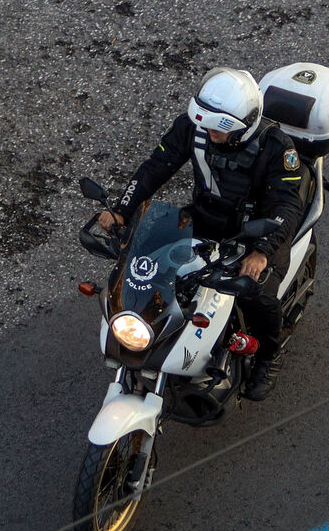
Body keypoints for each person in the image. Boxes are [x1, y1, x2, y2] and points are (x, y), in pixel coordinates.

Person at [97, 67, 306, 401]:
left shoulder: (277, 148)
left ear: (243, 125)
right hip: (206, 218)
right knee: (153, 265)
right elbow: (155, 168)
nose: (210, 135)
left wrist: (262, 251)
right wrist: (122, 208)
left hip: (258, 232)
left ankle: (269, 355)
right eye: (206, 125)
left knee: (258, 293)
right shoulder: (193, 128)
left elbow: (287, 206)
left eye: (219, 129)